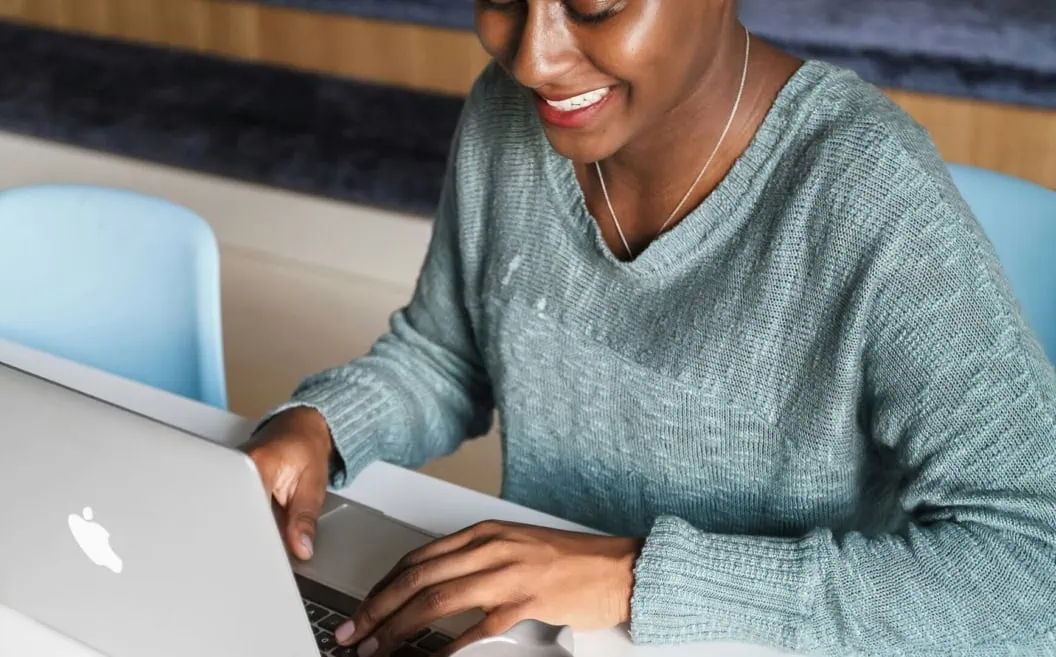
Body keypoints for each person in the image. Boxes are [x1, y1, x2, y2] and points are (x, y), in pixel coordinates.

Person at [244, 1, 1056, 655]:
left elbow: (1033, 559)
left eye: (594, 6)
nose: (533, 58)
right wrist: (322, 425)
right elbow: (447, 354)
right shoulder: (508, 114)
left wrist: (636, 578)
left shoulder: (867, 192)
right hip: (534, 632)